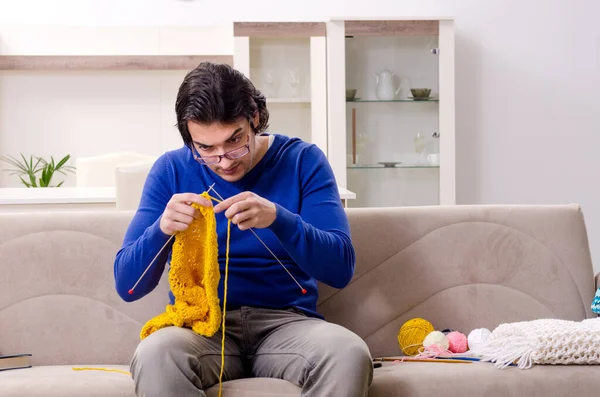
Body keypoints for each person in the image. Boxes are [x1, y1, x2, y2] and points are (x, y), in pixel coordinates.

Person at [113, 62, 373, 397]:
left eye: (235, 140)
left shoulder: (302, 160)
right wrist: (160, 231)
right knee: (155, 354)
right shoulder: (171, 169)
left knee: (348, 353)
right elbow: (127, 286)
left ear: (255, 118)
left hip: (287, 324)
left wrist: (279, 218)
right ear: (189, 138)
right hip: (201, 328)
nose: (224, 160)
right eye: (206, 148)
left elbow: (340, 270)